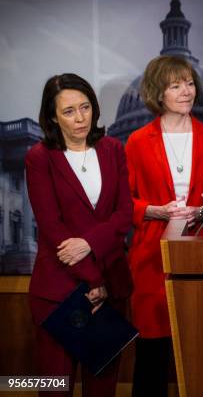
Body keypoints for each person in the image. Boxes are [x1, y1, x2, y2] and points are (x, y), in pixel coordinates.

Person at [125, 55, 203, 397]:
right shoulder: (137, 141)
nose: (186, 91)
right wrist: (156, 211)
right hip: (151, 260)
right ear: (158, 93)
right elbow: (124, 203)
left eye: (189, 83)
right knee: (153, 354)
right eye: (176, 85)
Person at [25, 73, 133, 396]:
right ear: (53, 117)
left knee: (102, 389)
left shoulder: (113, 148)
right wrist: (92, 281)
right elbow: (51, 225)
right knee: (55, 388)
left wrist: (89, 244)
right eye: (69, 111)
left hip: (111, 288)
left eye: (85, 107)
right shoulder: (39, 158)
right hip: (59, 291)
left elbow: (124, 215)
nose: (80, 117)